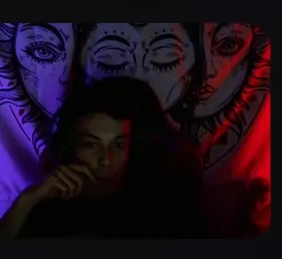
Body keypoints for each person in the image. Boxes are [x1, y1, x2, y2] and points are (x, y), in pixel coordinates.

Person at [0, 77, 207, 239]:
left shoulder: (163, 211)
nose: (106, 159)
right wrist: (26, 202)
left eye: (119, 145)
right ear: (69, 147)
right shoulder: (47, 209)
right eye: (91, 144)